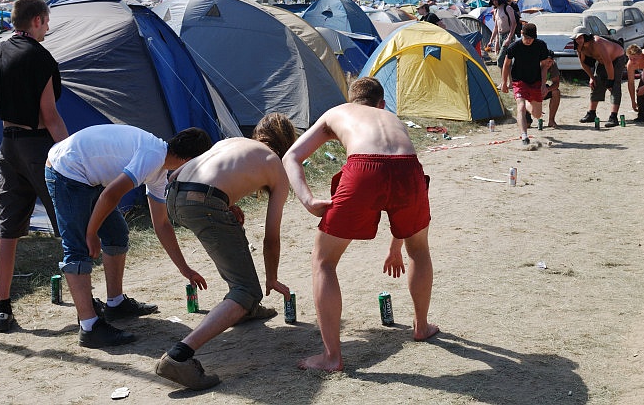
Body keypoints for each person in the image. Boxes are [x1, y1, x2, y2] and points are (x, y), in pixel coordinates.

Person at [281, 77, 438, 372]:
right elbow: (393, 170)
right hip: (409, 168)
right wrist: (396, 245)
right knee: (419, 250)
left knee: (324, 262)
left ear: (352, 102)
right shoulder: (392, 118)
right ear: (381, 104)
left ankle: (331, 357)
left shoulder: (336, 113)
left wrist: (308, 200)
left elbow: (291, 156)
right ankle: (421, 325)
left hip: (364, 168)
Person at [156, 113, 296, 390]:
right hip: (204, 201)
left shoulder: (235, 142)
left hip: (174, 193)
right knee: (248, 291)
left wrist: (225, 203)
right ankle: (179, 356)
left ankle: (244, 310)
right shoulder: (275, 165)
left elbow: (181, 174)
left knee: (232, 227)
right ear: (286, 144)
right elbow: (271, 237)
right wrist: (272, 278)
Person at [44, 124, 212, 348]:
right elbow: (111, 194)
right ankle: (89, 327)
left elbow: (161, 224)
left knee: (116, 234)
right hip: (65, 170)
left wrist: (185, 269)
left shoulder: (160, 169)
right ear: (189, 160)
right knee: (77, 248)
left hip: (86, 173)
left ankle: (115, 304)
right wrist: (92, 232)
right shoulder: (153, 157)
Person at [0, 0, 69, 334]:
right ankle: (88, 306)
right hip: (38, 146)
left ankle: (3, 308)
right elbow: (50, 116)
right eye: (48, 20)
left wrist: (11, 98)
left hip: (7, 146)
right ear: (38, 20)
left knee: (7, 230)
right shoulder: (41, 58)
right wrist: (71, 152)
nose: (49, 27)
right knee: (68, 222)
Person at [498, 22, 553, 144]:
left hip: (535, 80)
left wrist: (543, 84)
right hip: (519, 80)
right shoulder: (514, 46)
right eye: (527, 38)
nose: (529, 41)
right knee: (520, 107)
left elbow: (544, 66)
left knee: (537, 115)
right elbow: (506, 64)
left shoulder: (541, 45)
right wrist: (504, 82)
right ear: (522, 34)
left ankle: (528, 102)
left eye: (531, 38)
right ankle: (524, 136)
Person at [572, 26, 627, 128]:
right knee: (596, 83)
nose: (578, 40)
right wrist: (592, 77)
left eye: (580, 37)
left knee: (614, 85)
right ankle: (591, 113)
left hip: (616, 58)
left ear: (586, 36)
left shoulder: (597, 43)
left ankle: (613, 117)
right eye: (576, 38)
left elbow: (608, 62)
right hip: (602, 62)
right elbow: (583, 64)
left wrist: (610, 80)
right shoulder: (579, 47)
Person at [543, 58, 562, 128]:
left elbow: (556, 84)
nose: (548, 64)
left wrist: (547, 90)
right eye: (546, 61)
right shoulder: (534, 64)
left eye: (550, 61)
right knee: (527, 124)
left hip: (543, 88)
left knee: (556, 92)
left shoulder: (553, 65)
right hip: (531, 89)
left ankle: (551, 120)